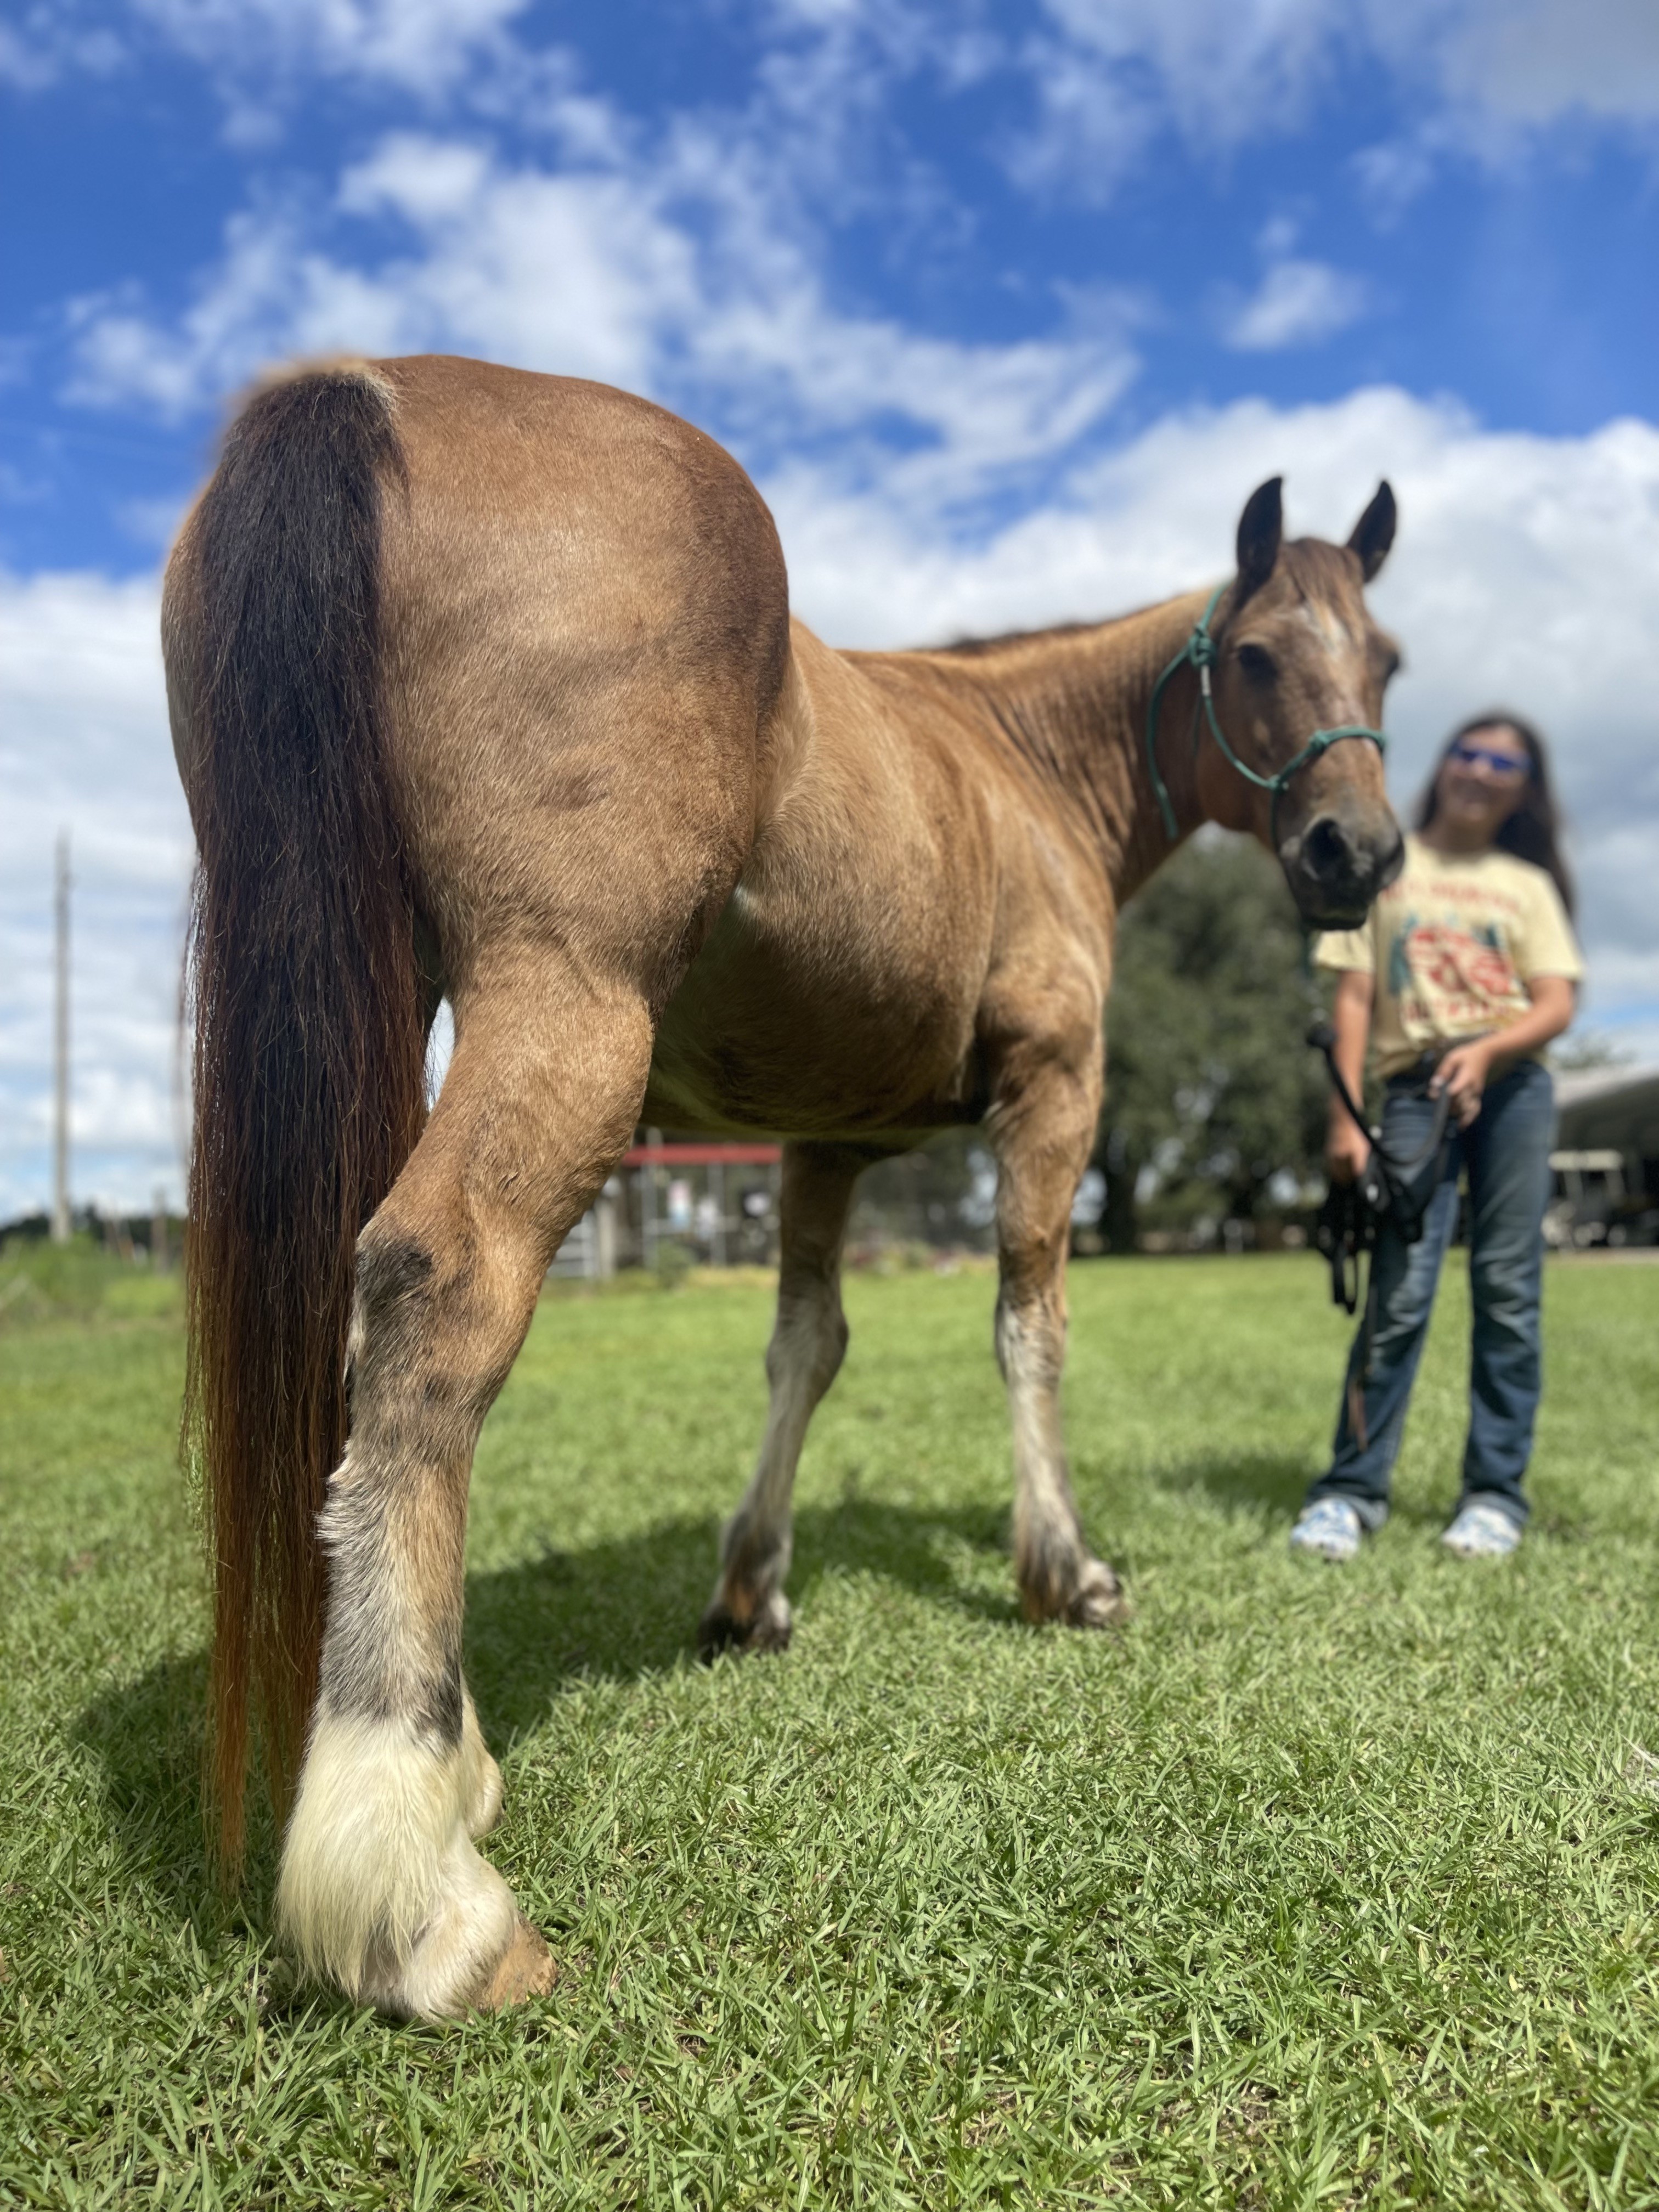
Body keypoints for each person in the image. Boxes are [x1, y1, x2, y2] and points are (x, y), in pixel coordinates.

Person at [1290, 712, 1582, 1562]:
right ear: (1446, 762)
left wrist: (1488, 1052)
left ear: (1524, 792)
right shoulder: (1384, 864)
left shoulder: (1526, 885)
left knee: (1508, 1290)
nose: (1482, 771)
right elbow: (1352, 994)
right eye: (1470, 752)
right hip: (1413, 1091)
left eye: (1505, 764)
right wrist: (1346, 1119)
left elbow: (1555, 1002)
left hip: (1512, 1089)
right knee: (1399, 1294)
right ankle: (1349, 1491)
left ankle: (1494, 1496)